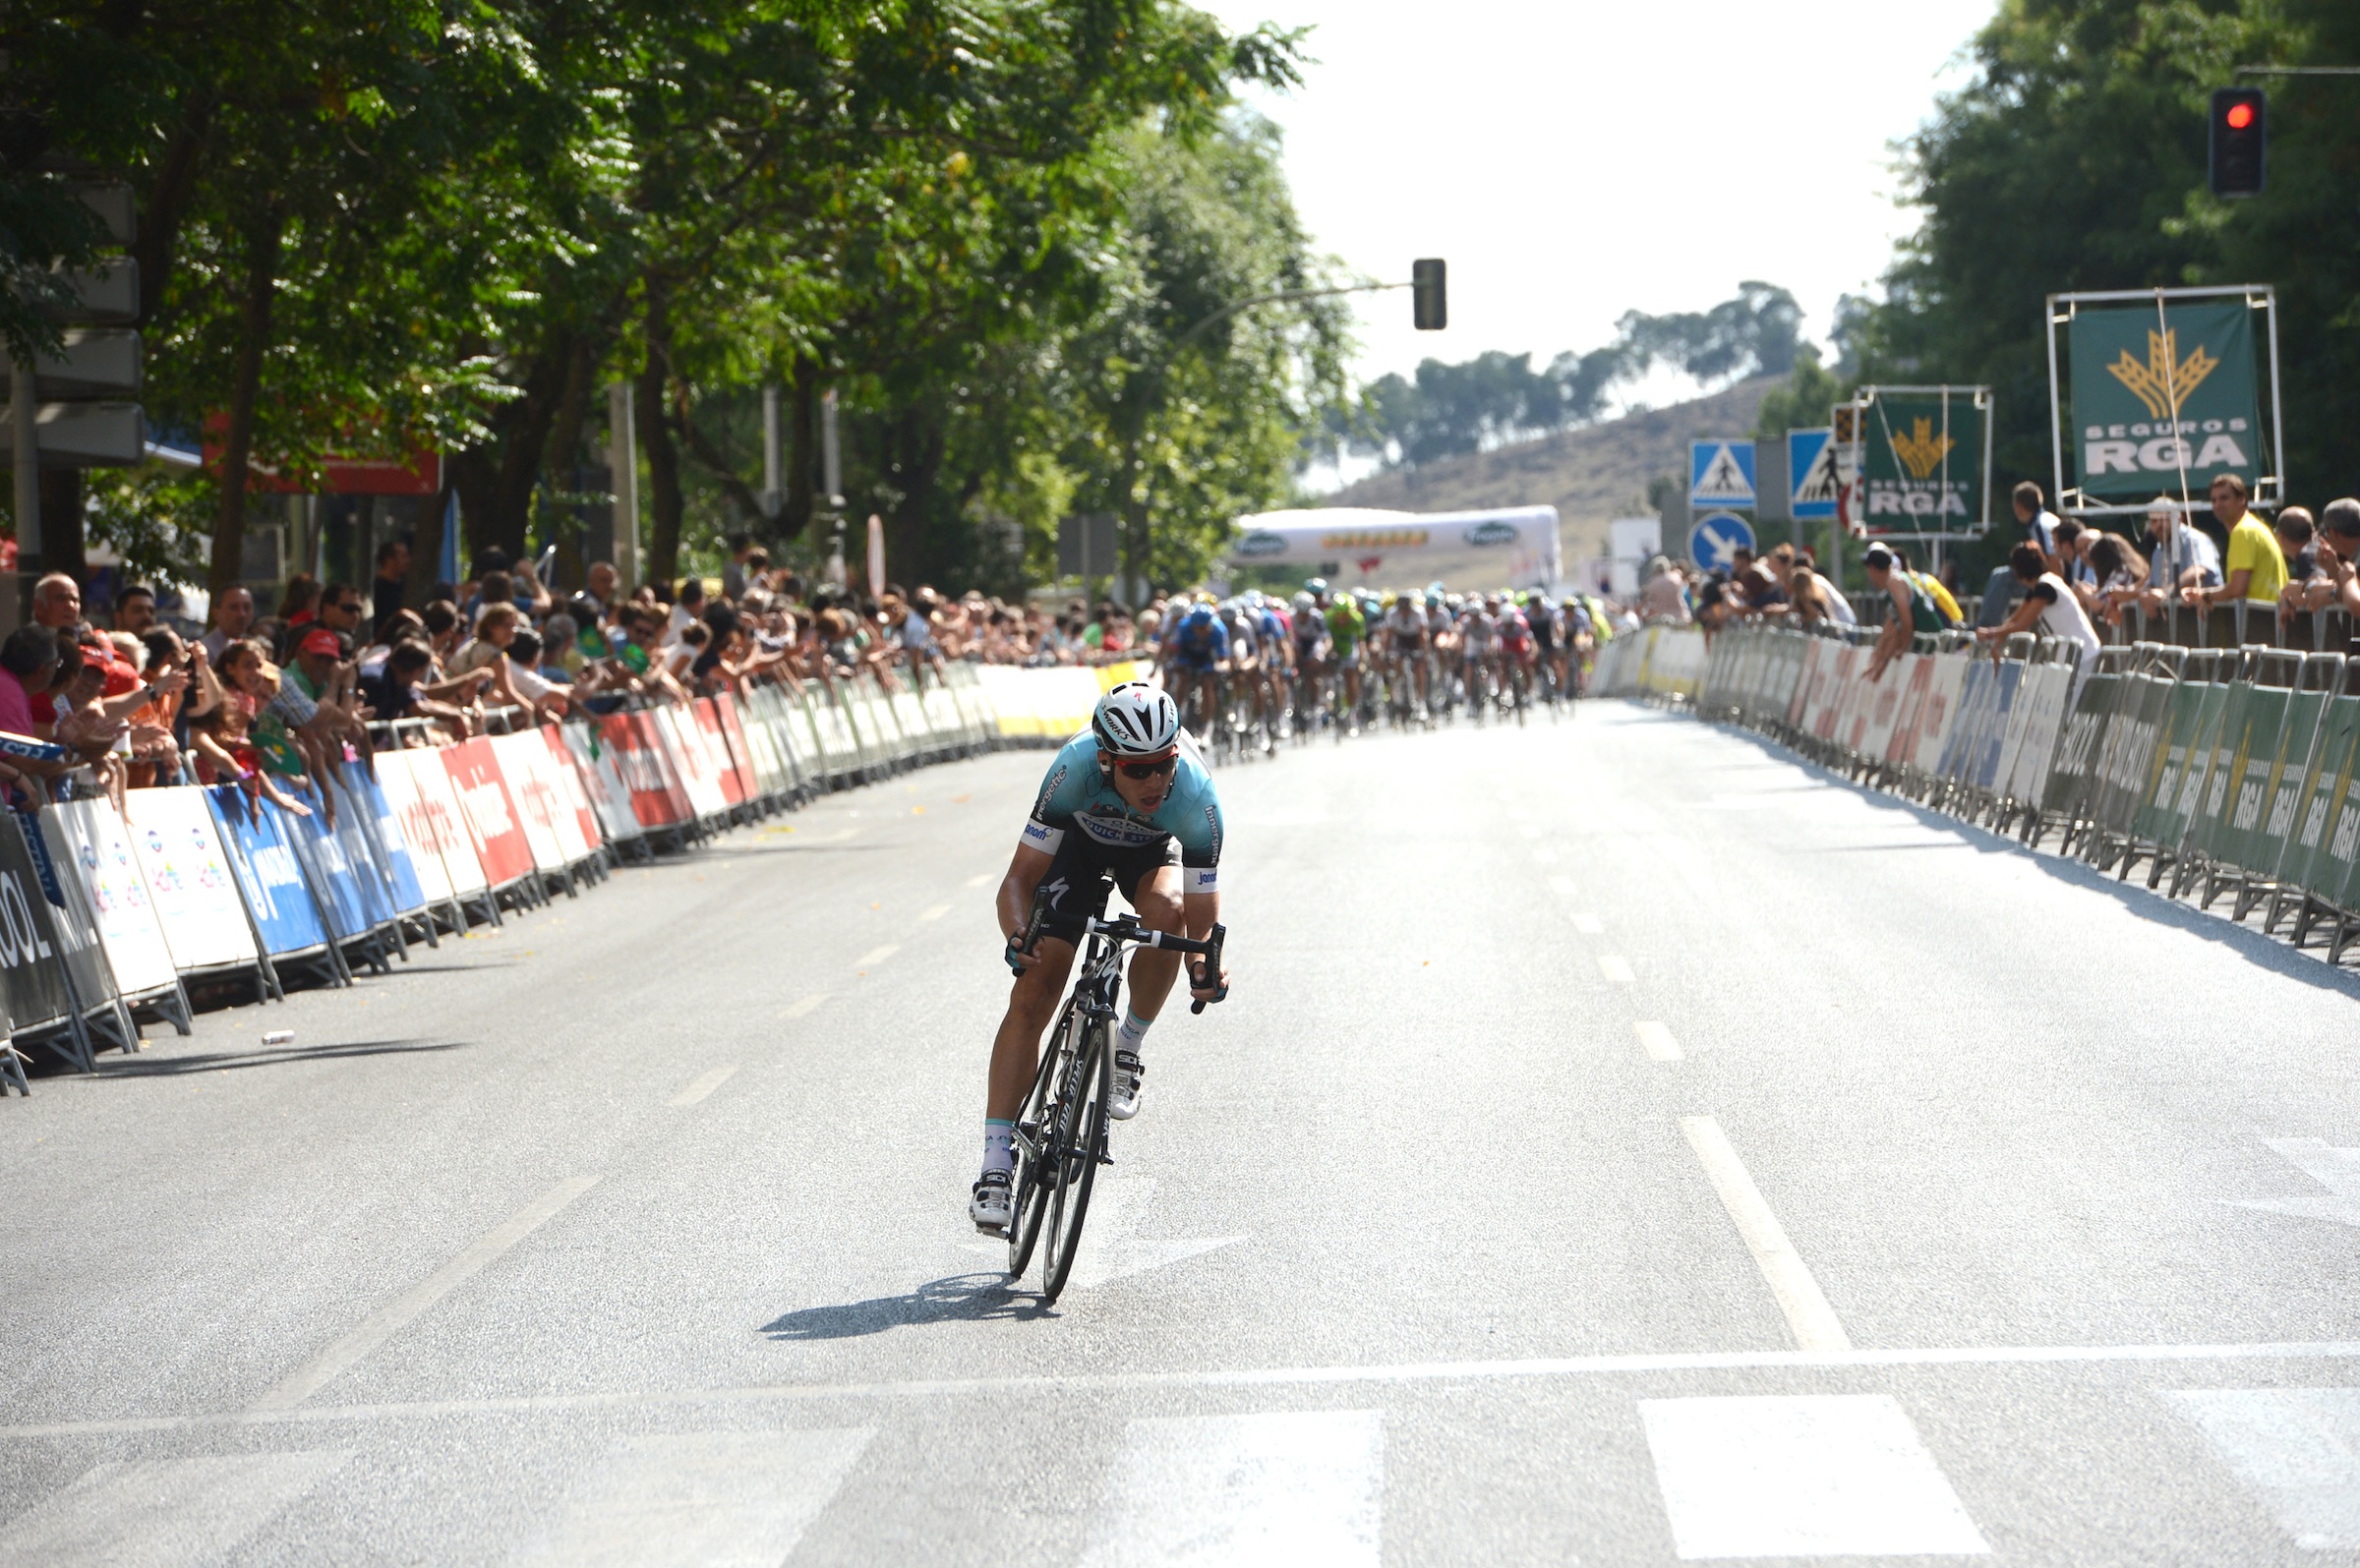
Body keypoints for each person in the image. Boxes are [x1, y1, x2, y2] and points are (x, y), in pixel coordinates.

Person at [970, 683, 1227, 1233]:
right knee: (1036, 987)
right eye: (1139, 770)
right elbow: (1018, 879)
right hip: (1076, 851)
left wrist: (1202, 968)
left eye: (1164, 765)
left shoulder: (1196, 795)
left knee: (1170, 914)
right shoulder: (1073, 769)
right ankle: (995, 1164)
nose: (1155, 781)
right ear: (1107, 760)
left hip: (1151, 855)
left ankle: (1127, 1047)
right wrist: (1020, 933)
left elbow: (1203, 912)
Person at [1979, 542, 2103, 683]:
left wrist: (1989, 633)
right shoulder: (2041, 585)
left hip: (2084, 654)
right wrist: (1998, 638)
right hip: (2075, 655)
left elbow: (2022, 625)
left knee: (2071, 703)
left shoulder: (2044, 587)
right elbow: (2015, 618)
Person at [2183, 473, 2285, 615]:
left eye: (2224, 498)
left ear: (2242, 499)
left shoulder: (2243, 532)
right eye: (2214, 500)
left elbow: (2237, 589)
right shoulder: (2254, 527)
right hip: (2271, 617)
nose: (2218, 504)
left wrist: (2206, 596)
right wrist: (2203, 593)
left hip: (2261, 620)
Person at [1976, 482, 2065, 627]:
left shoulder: (2039, 525)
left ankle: (1986, 626)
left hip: (2055, 584)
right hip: (2055, 580)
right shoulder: (2047, 518)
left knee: (2002, 577)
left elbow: (2054, 559)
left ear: (2018, 505)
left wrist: (2055, 587)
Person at [1862, 544, 1948, 680]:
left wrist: (1901, 649)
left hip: (1933, 645)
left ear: (1873, 569)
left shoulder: (1895, 582)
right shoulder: (1892, 584)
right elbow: (1891, 628)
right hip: (1928, 645)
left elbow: (1906, 622)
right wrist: (1877, 661)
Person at [2139, 497, 2223, 611]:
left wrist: (2166, 593)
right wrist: (2144, 596)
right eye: (2154, 521)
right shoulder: (2158, 553)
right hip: (2178, 623)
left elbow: (2198, 570)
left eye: (2165, 519)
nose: (2159, 525)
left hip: (2208, 619)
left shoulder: (2195, 539)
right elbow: (2152, 585)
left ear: (2178, 519)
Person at [202, 586, 255, 662]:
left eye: (247, 607)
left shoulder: (254, 647)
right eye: (234, 608)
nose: (242, 614)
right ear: (216, 613)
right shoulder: (204, 653)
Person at [372, 539, 410, 625]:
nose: (408, 561)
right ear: (389, 560)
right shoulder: (376, 590)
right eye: (403, 556)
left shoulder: (405, 588)